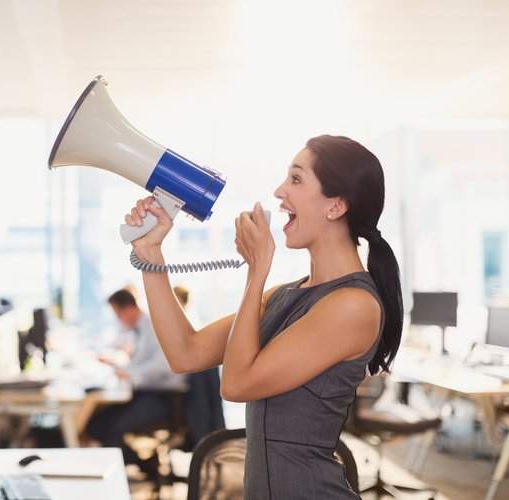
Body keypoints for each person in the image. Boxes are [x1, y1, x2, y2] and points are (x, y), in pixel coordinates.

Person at [123, 135, 403, 499]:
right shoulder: (287, 294)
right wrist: (150, 254)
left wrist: (256, 273)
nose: (279, 191)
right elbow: (186, 353)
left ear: (336, 206)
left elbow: (236, 385)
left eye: (296, 179)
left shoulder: (352, 305)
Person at [85, 288, 186, 465]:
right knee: (96, 422)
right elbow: (143, 363)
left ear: (129, 309)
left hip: (163, 398)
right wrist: (120, 367)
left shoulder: (154, 326)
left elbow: (164, 366)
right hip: (150, 393)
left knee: (111, 427)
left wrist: (129, 373)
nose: (118, 320)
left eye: (118, 314)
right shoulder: (142, 327)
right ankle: (146, 465)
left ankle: (142, 466)